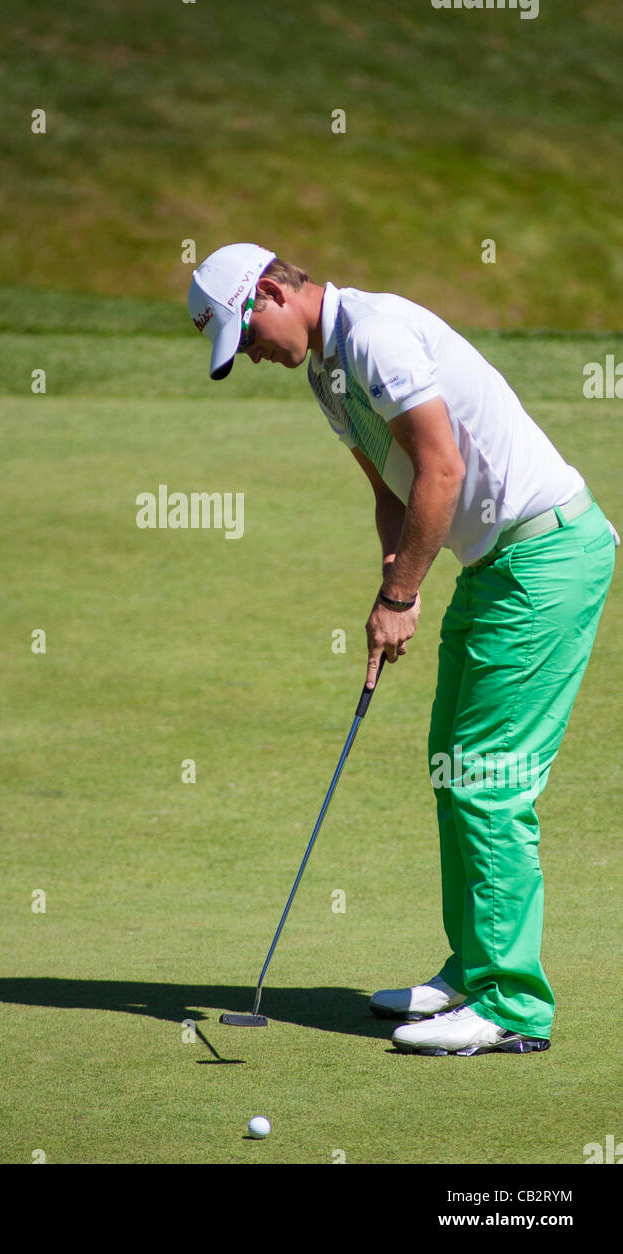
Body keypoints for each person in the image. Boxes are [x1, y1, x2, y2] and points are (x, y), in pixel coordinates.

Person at [187, 242, 617, 1057]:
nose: (252, 356)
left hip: (546, 555)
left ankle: (513, 1004)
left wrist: (399, 599)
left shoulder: (376, 336)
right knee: (455, 765)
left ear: (274, 291)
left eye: (246, 337)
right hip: (497, 566)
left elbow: (441, 470)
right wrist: (398, 577)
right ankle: (473, 972)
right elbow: (391, 488)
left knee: (490, 782)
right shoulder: (328, 373)